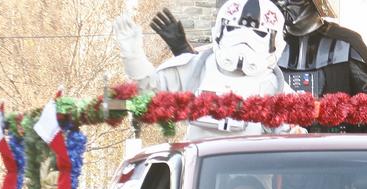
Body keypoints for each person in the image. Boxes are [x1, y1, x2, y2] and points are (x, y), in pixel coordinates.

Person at [114, 2, 297, 141]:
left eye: (259, 34)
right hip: (197, 177)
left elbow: (292, 143)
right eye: (234, 29)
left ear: (276, 44)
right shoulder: (196, 68)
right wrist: (133, 55)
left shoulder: (276, 87)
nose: (245, 40)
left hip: (254, 182)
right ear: (220, 31)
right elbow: (147, 90)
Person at [152, 1, 367, 100]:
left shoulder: (345, 43)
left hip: (332, 158)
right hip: (267, 154)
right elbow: (218, 80)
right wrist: (182, 49)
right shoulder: (259, 44)